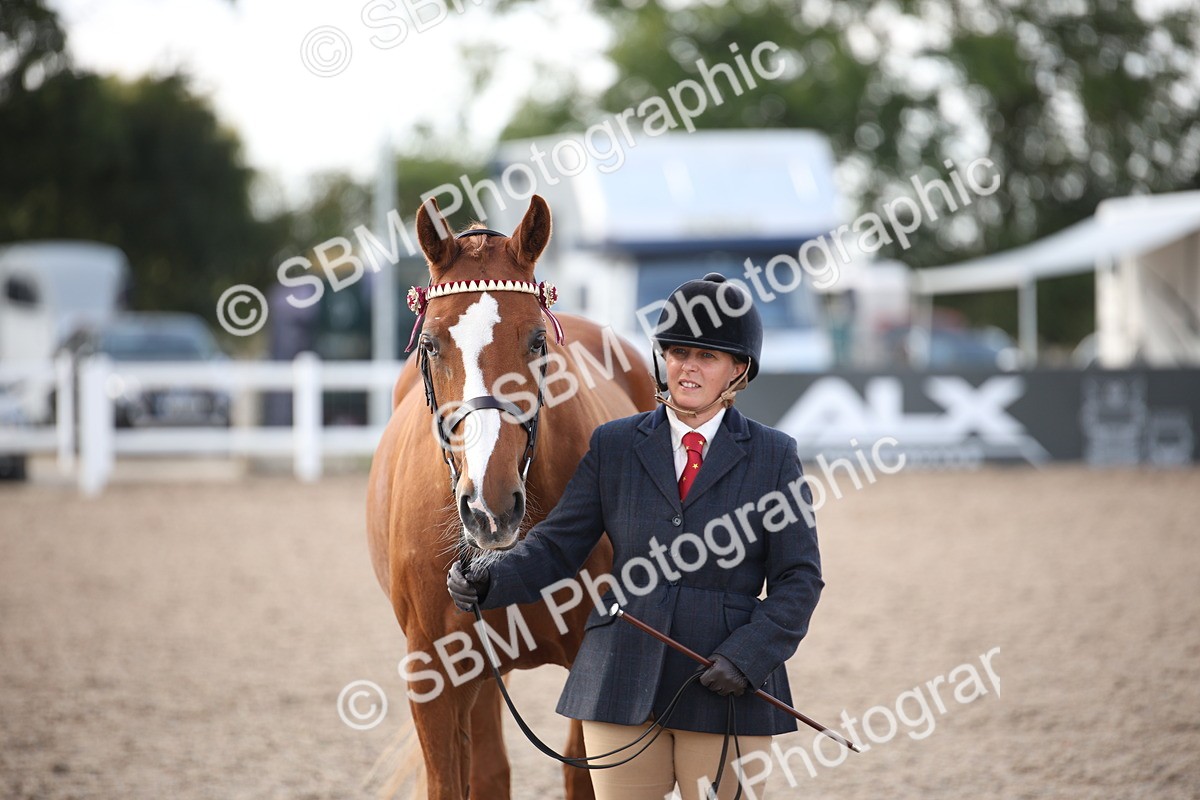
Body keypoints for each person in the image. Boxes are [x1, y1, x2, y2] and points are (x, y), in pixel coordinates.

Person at [448, 273, 823, 800]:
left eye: (708, 356)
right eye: (677, 351)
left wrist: (748, 656)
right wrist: (492, 580)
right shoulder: (616, 445)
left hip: (723, 683)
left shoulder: (774, 456)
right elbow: (558, 544)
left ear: (738, 370)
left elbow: (798, 580)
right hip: (618, 677)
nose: (688, 366)